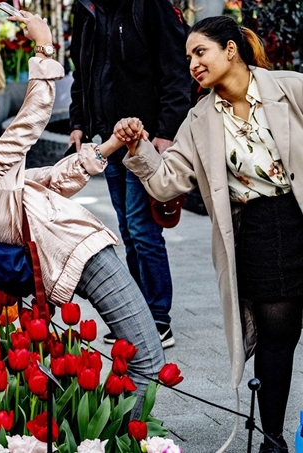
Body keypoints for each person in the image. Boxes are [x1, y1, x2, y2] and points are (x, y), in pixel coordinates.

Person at [0, 11, 165, 405]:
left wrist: (110, 144)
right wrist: (43, 48)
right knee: (146, 360)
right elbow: (24, 129)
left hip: (81, 253)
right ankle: (126, 438)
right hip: (85, 256)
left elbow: (51, 181)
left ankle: (117, 436)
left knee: (140, 358)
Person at [112, 16, 303, 453]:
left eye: (201, 52)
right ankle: (272, 439)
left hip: (300, 213)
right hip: (258, 231)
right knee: (278, 338)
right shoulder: (198, 120)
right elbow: (165, 183)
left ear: (230, 50)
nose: (193, 64)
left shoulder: (289, 87)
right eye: (189, 58)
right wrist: (138, 148)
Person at [68, 0, 193, 348]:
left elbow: (175, 71)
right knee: (127, 230)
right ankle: (139, 314)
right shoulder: (87, 9)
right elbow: (83, 70)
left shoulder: (149, 6)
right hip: (109, 140)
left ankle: (157, 318)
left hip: (145, 139)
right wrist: (79, 122)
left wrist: (166, 132)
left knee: (143, 229)